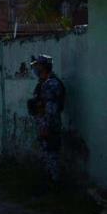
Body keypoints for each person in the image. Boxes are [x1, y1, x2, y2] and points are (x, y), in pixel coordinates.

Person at [27, 54, 65, 185]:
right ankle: (49, 179)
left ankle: (55, 182)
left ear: (43, 66)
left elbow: (51, 109)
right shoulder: (43, 83)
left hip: (49, 125)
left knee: (52, 153)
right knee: (47, 153)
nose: (35, 69)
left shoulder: (51, 84)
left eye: (37, 66)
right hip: (43, 123)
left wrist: (46, 127)